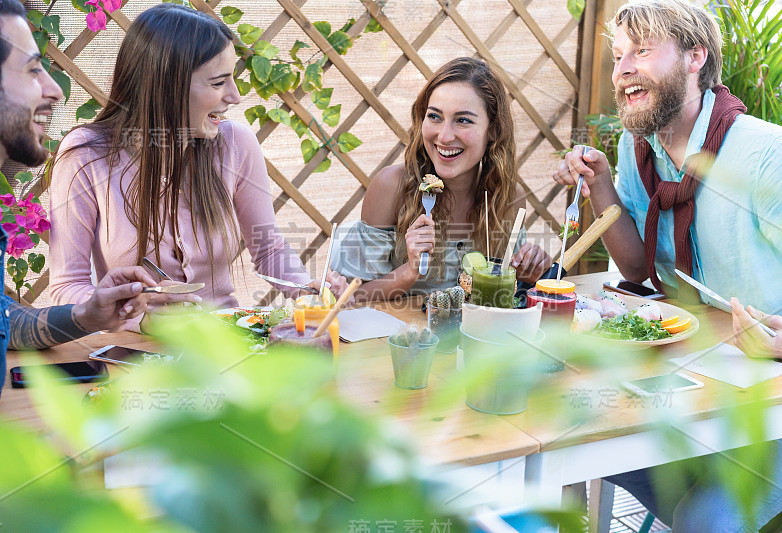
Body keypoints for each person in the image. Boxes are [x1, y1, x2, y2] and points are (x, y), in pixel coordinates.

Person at [554, 0, 782, 530]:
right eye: (619, 55)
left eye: (642, 51)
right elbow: (639, 268)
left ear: (695, 57)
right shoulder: (637, 148)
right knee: (571, 444)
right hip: (703, 382)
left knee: (704, 520)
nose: (622, 70)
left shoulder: (768, 156)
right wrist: (600, 188)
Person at [47, 4, 346, 329]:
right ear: (166, 85)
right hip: (133, 356)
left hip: (230, 346)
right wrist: (133, 312)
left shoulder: (236, 143)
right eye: (218, 83)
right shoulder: (85, 155)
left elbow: (268, 248)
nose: (235, 96)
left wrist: (305, 288)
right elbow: (66, 289)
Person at [0, 0, 195, 396]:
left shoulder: (230, 144)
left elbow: (6, 319)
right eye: (33, 69)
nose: (54, 89)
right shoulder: (87, 153)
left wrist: (89, 314)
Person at [333, 57, 552, 301]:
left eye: (463, 120)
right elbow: (349, 298)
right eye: (435, 116)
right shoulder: (391, 187)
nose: (444, 136)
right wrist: (409, 271)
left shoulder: (508, 198)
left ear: (493, 130)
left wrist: (529, 274)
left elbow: (506, 294)